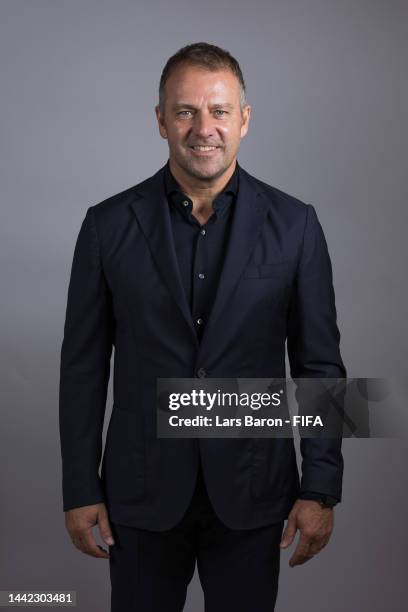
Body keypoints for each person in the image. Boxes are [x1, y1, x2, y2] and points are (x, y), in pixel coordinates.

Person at [59, 42, 346, 612]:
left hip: (253, 488)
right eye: (186, 110)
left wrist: (321, 487)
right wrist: (79, 487)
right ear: (161, 120)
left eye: (218, 110)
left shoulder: (296, 225)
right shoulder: (106, 225)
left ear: (244, 119)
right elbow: (83, 371)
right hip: (138, 495)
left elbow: (319, 366)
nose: (203, 127)